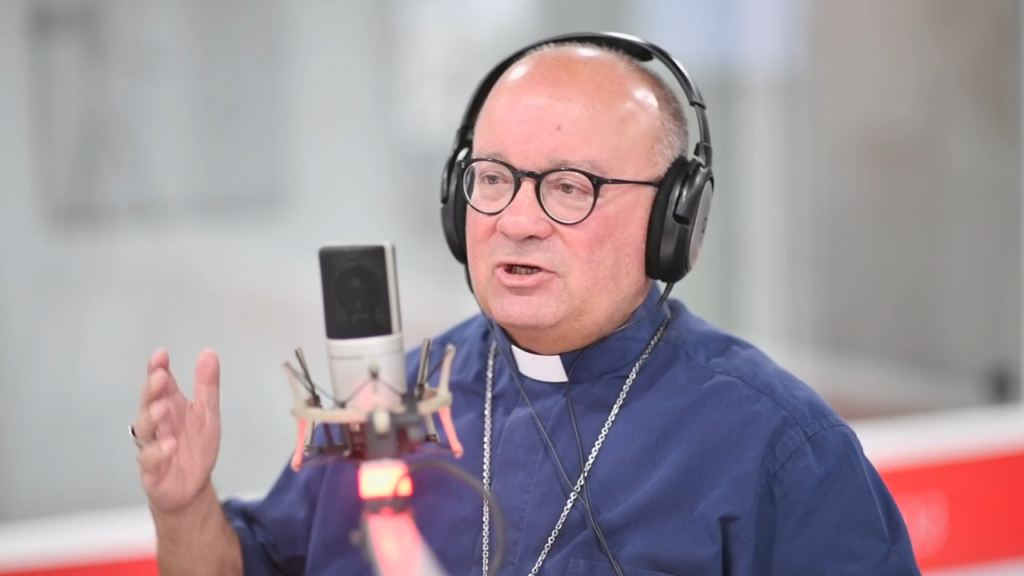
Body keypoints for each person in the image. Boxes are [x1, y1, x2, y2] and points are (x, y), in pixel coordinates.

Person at [130, 33, 922, 575]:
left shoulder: (779, 446)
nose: (516, 220)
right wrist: (184, 505)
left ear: (673, 223)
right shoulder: (388, 401)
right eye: (494, 179)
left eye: (569, 187)